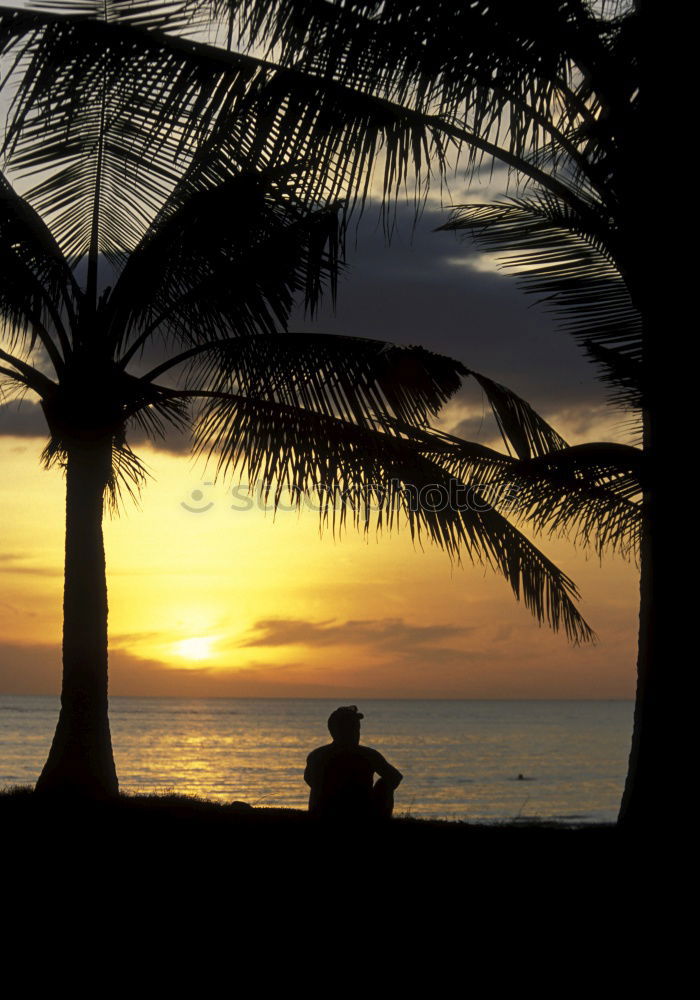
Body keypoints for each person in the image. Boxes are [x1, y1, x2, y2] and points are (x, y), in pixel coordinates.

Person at [304, 705, 403, 822]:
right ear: (336, 731)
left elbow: (309, 779)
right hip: (360, 815)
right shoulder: (368, 755)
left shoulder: (316, 755)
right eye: (352, 728)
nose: (356, 732)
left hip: (321, 813)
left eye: (356, 728)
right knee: (384, 783)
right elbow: (395, 777)